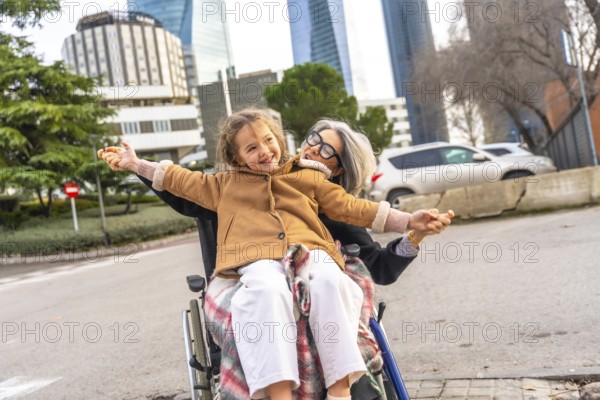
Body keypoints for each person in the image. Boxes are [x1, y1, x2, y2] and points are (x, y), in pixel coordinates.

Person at [99, 109, 453, 400]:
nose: (314, 149)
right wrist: (135, 164)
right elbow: (179, 181)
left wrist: (412, 225)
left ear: (340, 169)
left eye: (327, 151)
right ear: (237, 156)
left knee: (333, 281)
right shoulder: (226, 185)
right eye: (314, 140)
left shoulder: (315, 184)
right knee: (267, 289)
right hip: (256, 259)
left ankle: (341, 392)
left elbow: (362, 220)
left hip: (313, 255)